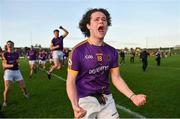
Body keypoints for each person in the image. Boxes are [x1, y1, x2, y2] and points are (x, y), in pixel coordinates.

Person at [66, 8, 146, 119]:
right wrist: (74, 105)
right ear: (88, 25)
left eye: (104, 19)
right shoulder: (78, 51)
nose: (101, 22)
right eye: (96, 19)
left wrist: (133, 97)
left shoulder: (112, 51)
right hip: (85, 100)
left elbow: (116, 78)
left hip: (106, 98)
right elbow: (70, 81)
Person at [1, 41, 29, 107]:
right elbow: (4, 65)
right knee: (7, 88)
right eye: (8, 44)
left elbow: (17, 62)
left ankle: (25, 93)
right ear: (6, 46)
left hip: (17, 71)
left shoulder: (16, 54)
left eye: (11, 44)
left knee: (23, 87)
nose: (10, 46)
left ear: (13, 45)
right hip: (8, 72)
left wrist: (17, 63)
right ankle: (5, 101)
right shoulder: (5, 54)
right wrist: (12, 65)